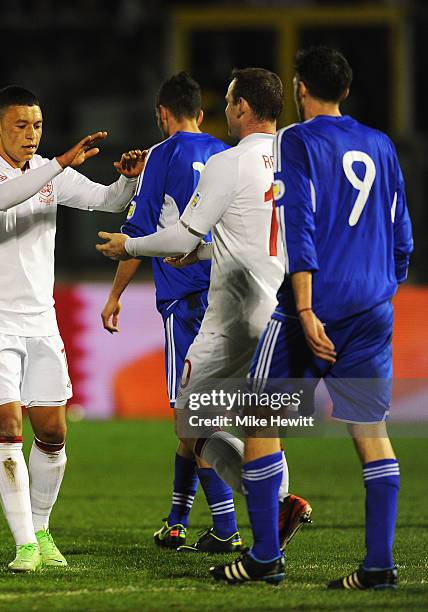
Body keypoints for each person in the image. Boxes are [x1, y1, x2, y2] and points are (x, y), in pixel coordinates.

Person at [210, 47, 413, 588]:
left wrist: (305, 306)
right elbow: (402, 238)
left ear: (301, 88)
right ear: (344, 91)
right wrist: (378, 293)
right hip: (372, 310)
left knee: (258, 418)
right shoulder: (381, 144)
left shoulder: (295, 141)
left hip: (313, 308)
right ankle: (378, 567)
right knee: (372, 432)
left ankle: (264, 558)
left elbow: (298, 226)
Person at [96, 68, 312, 551]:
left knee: (191, 420)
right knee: (260, 421)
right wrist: (203, 253)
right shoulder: (295, 159)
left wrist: (128, 246)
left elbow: (178, 234)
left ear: (239, 107)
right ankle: (262, 530)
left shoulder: (225, 162)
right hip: (283, 313)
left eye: (230, 102)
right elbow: (255, 236)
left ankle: (271, 504)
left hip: (229, 315)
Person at [0, 85, 144, 572]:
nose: (31, 135)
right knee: (7, 427)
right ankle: (24, 546)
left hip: (39, 318)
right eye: (21, 125)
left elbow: (104, 200)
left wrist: (129, 182)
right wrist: (58, 164)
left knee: (54, 433)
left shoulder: (48, 173)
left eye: (37, 126)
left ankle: (41, 529)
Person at [101, 72, 243, 553]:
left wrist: (115, 295)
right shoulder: (228, 154)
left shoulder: (161, 156)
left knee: (193, 417)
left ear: (162, 114)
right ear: (201, 113)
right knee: (204, 415)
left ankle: (226, 526)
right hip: (232, 294)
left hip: (184, 300)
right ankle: (178, 520)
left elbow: (136, 238)